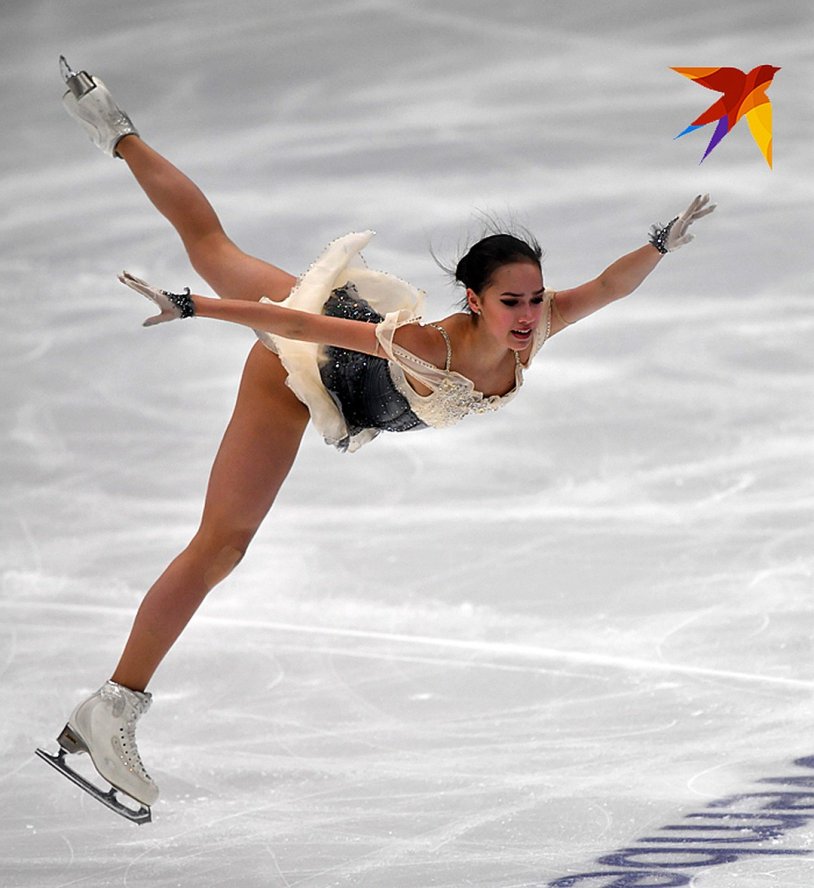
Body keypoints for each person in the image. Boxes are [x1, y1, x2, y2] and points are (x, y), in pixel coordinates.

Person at [42, 58, 715, 818]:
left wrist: (660, 244)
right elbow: (296, 326)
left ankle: (112, 127)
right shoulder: (429, 345)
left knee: (213, 244)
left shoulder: (539, 326)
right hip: (300, 369)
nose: (528, 314)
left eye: (534, 298)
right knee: (222, 545)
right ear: (473, 299)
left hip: (338, 336)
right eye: (510, 301)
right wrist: (192, 309)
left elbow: (607, 286)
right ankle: (113, 706)